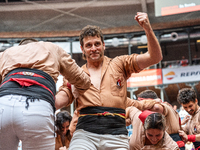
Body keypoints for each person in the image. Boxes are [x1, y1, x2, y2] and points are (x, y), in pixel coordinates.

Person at [56, 12, 162, 150]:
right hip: (85, 134)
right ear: (82, 49)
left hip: (117, 135)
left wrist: (148, 28)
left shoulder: (120, 63)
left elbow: (154, 58)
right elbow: (63, 96)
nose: (93, 48)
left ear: (104, 45)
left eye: (97, 44)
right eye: (88, 45)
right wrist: (45, 102)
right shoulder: (76, 73)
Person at [0, 38, 91, 150]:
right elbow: (83, 81)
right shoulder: (52, 48)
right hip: (38, 106)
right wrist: (69, 88)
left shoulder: (6, 53)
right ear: (38, 44)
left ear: (19, 47)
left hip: (3, 106)